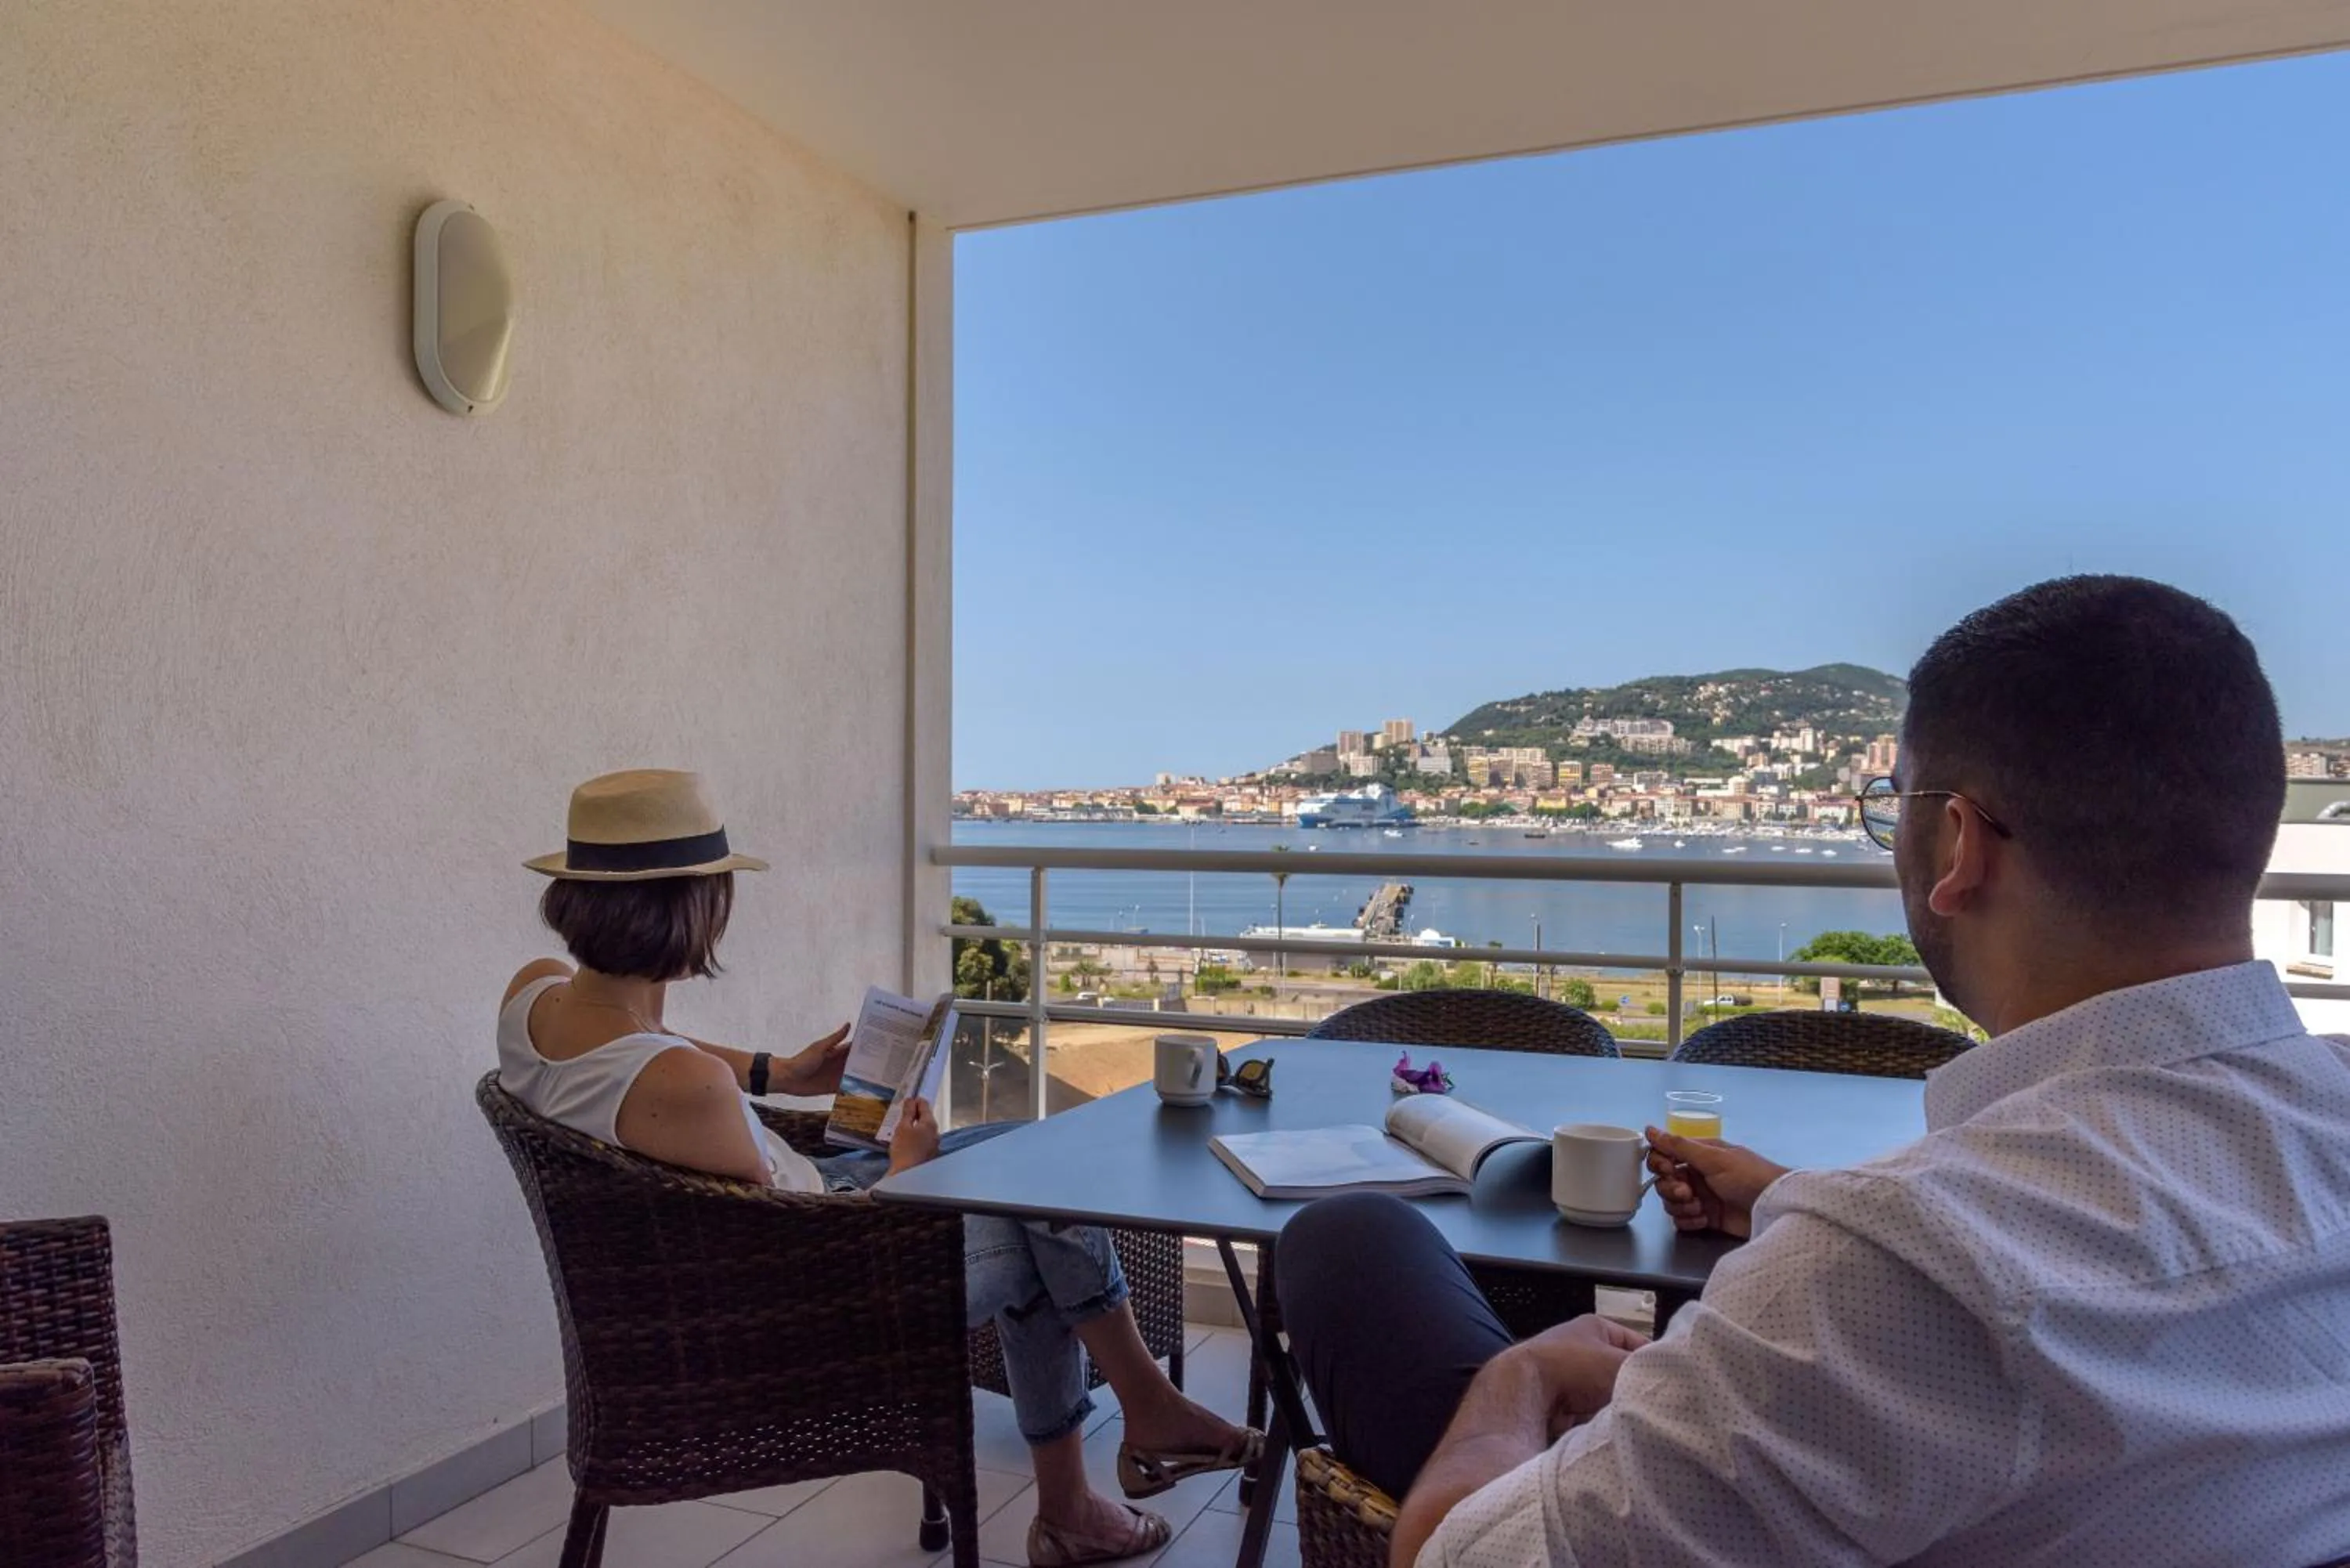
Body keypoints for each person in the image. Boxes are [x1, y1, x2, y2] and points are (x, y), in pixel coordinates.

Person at [1278, 576, 2350, 1567]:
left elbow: (1451, 1558)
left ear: (1961, 844)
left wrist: (1524, 1380)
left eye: (1896, 804)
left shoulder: (1901, 1275)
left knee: (1350, 1238)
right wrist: (1794, 1195)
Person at [500, 768, 1258, 1568]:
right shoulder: (686, 1089)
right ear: (687, 908)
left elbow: (647, 1048)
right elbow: (786, 1235)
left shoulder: (535, 999)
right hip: (825, 1283)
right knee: (1045, 1215)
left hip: (777, 1237)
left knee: (1036, 1158)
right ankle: (1106, 1464)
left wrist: (782, 1074)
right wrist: (906, 1170)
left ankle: (1134, 1428)